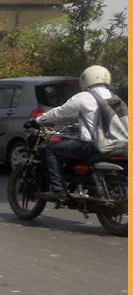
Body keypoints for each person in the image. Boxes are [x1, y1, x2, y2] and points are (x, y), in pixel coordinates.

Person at [25, 65, 114, 203]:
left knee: (50, 148)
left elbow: (60, 112)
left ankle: (59, 191)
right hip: (116, 144)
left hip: (92, 145)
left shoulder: (85, 97)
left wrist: (37, 120)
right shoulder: (114, 97)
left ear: (86, 79)